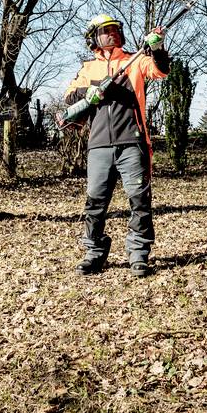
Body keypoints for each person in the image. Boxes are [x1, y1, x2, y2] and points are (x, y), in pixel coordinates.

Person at [64, 14, 169, 277]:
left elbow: (161, 70)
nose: (113, 34)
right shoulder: (88, 68)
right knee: (95, 202)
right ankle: (94, 252)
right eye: (106, 30)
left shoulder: (135, 61)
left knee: (139, 200)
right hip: (99, 146)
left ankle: (139, 254)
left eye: (115, 30)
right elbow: (69, 98)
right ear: (94, 37)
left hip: (132, 142)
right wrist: (88, 91)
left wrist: (156, 47)